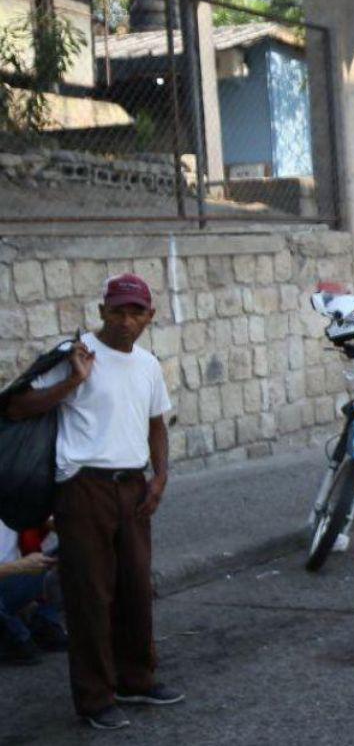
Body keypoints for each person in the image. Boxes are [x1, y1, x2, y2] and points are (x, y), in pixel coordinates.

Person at [4, 274, 182, 730]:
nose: (126, 321)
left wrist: (159, 476)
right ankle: (95, 699)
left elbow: (156, 424)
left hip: (133, 488)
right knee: (90, 595)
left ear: (150, 316)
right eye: (118, 311)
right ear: (101, 310)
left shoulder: (147, 364)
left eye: (136, 312)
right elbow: (15, 406)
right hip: (83, 489)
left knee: (136, 588)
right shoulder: (74, 354)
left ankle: (136, 680)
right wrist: (71, 383)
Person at [0, 522, 66, 665]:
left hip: (16, 578)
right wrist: (19, 566)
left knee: (75, 545)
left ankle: (42, 623)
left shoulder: (10, 504)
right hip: (15, 572)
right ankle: (15, 636)